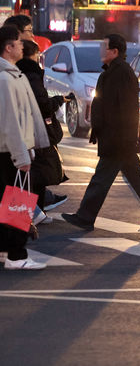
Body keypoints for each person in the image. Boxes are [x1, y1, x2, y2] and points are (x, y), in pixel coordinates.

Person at [62, 34, 140, 231]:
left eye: (104, 46)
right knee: (135, 177)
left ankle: (85, 217)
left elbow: (122, 109)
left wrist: (118, 137)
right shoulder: (116, 71)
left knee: (101, 179)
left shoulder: (120, 73)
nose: (101, 50)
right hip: (120, 138)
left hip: (118, 138)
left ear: (114, 51)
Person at [0, 25, 49, 269]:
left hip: (10, 151)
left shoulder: (11, 75)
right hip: (10, 152)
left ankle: (8, 251)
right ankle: (16, 256)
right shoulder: (5, 79)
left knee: (9, 204)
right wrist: (22, 156)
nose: (23, 45)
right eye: (19, 42)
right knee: (17, 205)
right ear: (8, 48)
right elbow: (10, 121)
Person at [16, 40, 68, 216]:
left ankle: (34, 213)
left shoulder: (17, 72)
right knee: (34, 173)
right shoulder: (31, 75)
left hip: (23, 131)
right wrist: (59, 100)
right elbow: (42, 104)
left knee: (30, 173)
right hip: (33, 132)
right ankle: (30, 214)